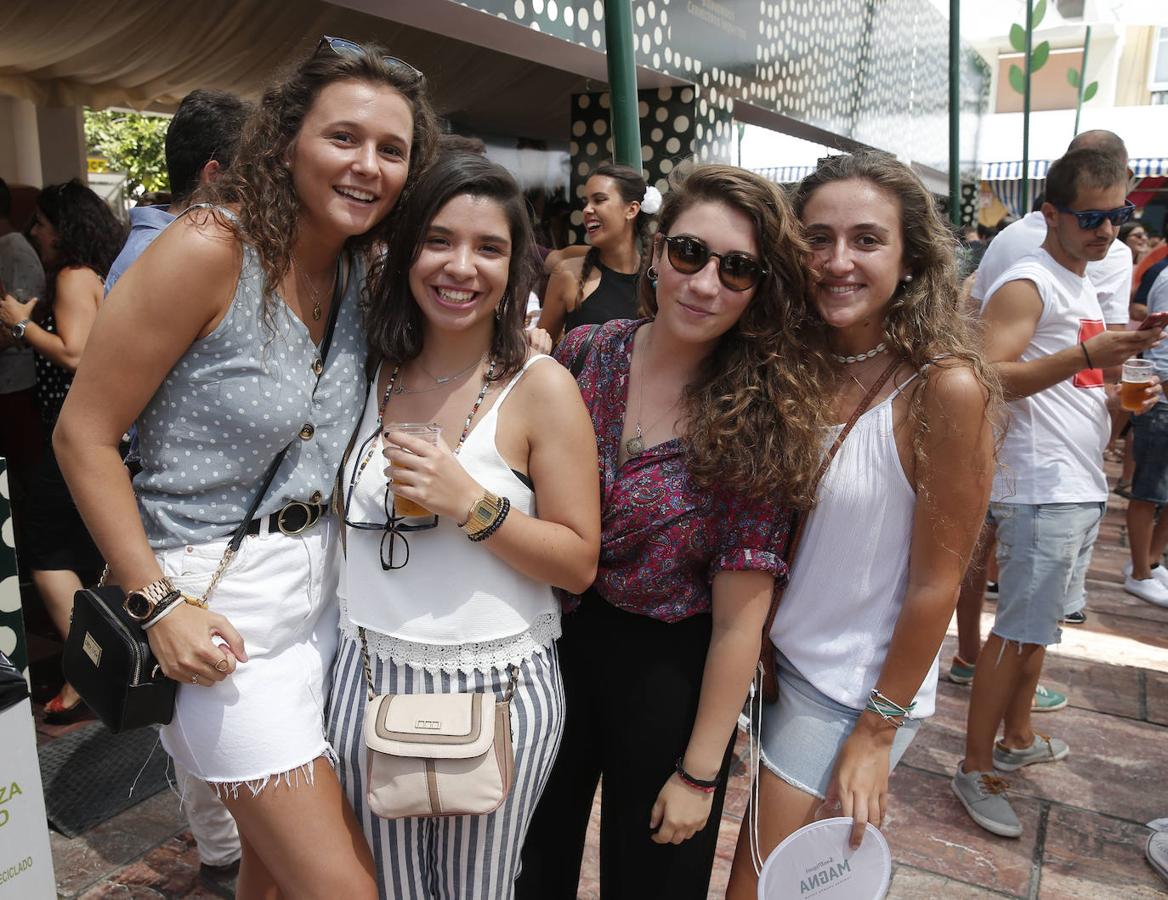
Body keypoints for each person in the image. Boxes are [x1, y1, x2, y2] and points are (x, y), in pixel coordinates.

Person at [53, 39, 439, 899]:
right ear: (286, 141)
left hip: (326, 594)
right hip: (209, 599)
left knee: (270, 871)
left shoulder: (359, 268)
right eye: (344, 138)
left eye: (391, 149)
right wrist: (155, 603)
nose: (367, 166)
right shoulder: (208, 248)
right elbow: (82, 435)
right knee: (345, 885)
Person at [517, 164, 824, 900]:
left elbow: (738, 622)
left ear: (760, 288)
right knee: (530, 862)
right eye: (689, 253)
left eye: (738, 268)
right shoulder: (588, 353)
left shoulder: (760, 414)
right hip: (549, 643)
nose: (705, 283)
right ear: (656, 250)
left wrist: (700, 771)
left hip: (667, 664)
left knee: (656, 879)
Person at [723, 151, 998, 897]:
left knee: (758, 890)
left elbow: (938, 583)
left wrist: (876, 734)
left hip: (851, 690)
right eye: (817, 238)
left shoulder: (944, 387)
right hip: (779, 664)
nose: (838, 260)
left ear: (911, 259)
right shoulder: (790, 361)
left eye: (867, 240)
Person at [325, 152, 599, 898]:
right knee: (383, 885)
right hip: (365, 671)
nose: (461, 267)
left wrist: (468, 502)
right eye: (439, 240)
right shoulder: (363, 368)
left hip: (496, 684)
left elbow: (578, 562)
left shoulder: (543, 389)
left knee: (480, 888)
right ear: (408, 247)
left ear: (517, 269)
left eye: (489, 248)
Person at [953, 148, 1163, 839]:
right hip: (1038, 486)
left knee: (1040, 631)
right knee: (1015, 635)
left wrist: (1120, 392)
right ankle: (974, 765)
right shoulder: (1028, 282)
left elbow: (1079, 384)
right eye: (1091, 217)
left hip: (1074, 483)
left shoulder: (1080, 279)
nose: (1106, 231)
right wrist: (1086, 358)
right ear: (1051, 214)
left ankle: (1015, 738)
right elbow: (983, 379)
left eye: (1118, 215)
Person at [0, 180, 124, 724]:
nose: (35, 234)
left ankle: (83, 674)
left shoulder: (73, 277)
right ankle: (109, 664)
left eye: (42, 224)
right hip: (98, 433)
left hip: (74, 435)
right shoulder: (96, 272)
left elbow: (76, 355)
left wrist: (23, 326)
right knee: (85, 553)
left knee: (46, 553)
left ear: (64, 227)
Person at [104, 89, 250, 294]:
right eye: (249, 172)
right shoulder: (160, 257)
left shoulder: (171, 247)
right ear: (214, 175)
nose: (262, 186)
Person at [536, 163, 658, 342]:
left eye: (599, 200)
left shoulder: (655, 280)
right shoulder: (567, 274)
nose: (586, 209)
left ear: (631, 210)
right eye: (586, 202)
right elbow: (540, 351)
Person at [0, 177, 46, 524]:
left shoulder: (14, 250)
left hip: (17, 383)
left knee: (25, 477)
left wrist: (16, 328)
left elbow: (19, 327)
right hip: (10, 384)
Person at [1124, 262, 1168, 609]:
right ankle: (1139, 572)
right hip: (1162, 400)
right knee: (1148, 491)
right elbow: (1161, 354)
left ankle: (1152, 561)